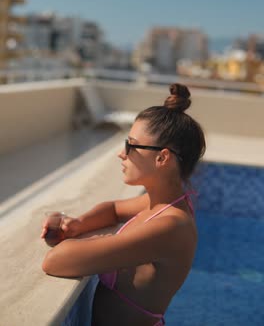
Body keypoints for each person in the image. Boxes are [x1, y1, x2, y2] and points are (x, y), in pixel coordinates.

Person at [41, 83, 206, 326]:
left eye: (131, 145)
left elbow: (55, 261)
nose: (122, 153)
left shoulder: (171, 226)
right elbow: (113, 209)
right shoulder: (158, 203)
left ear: (162, 158)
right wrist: (77, 225)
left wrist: (96, 243)